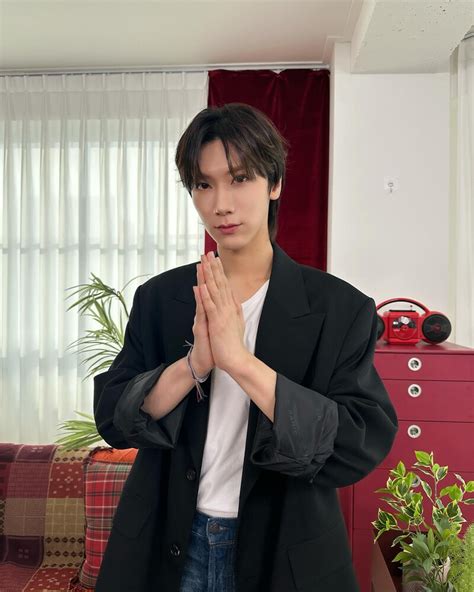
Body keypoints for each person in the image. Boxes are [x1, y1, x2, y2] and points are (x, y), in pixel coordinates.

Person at [93, 103, 398, 592]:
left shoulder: (340, 310)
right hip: (167, 543)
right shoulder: (161, 298)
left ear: (274, 183)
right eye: (203, 184)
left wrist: (239, 361)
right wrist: (195, 363)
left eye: (239, 179)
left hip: (284, 550)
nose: (221, 204)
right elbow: (115, 416)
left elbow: (356, 444)